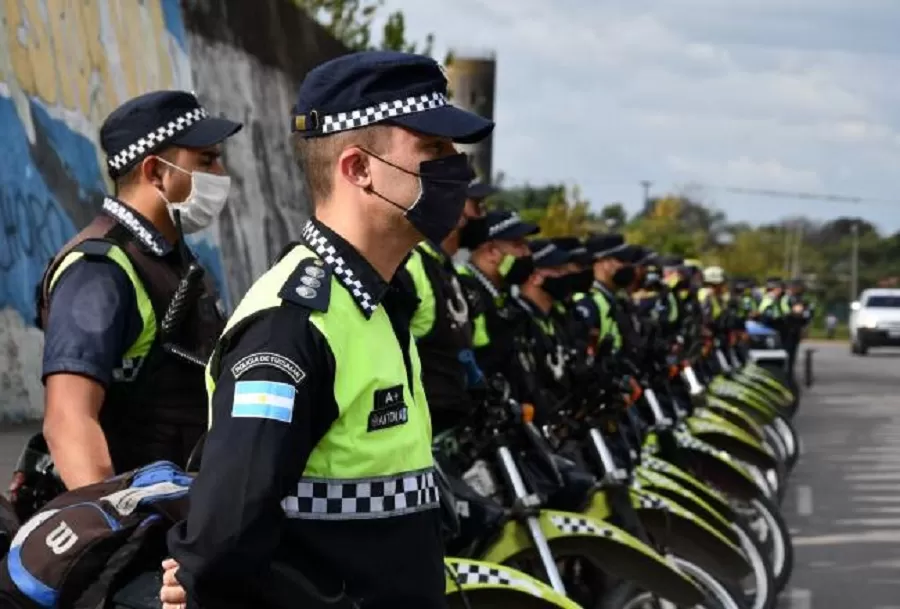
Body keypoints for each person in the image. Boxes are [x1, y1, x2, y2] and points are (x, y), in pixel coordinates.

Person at [162, 50, 493, 609]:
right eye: (432, 148)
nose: (456, 168)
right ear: (358, 168)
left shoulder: (379, 301)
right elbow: (224, 546)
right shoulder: (291, 326)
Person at [33, 91, 242, 490]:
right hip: (141, 529)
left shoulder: (172, 260)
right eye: (205, 160)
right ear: (155, 171)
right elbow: (68, 419)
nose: (220, 172)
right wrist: (116, 526)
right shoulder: (100, 269)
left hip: (183, 516)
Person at [397, 180, 493, 434]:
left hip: (454, 421)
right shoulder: (412, 265)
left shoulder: (447, 269)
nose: (482, 217)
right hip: (420, 425)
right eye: (477, 207)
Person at [457, 210, 539, 392]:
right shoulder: (464, 288)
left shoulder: (500, 293)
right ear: (492, 252)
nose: (527, 253)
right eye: (518, 245)